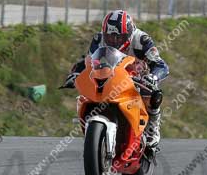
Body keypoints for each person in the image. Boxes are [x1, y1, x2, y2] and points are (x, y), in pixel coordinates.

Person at [65, 10, 169, 148]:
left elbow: (161, 65)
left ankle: (152, 129)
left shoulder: (142, 40)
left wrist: (153, 77)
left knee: (152, 95)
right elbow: (88, 62)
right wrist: (76, 74)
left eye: (119, 37)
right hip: (110, 75)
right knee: (88, 93)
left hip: (137, 76)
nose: (114, 41)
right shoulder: (98, 39)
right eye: (110, 37)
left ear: (130, 34)